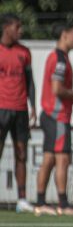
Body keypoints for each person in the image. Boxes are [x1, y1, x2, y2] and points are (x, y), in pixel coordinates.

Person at [35, 22, 73, 216]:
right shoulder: (60, 59)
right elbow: (57, 88)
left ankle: (40, 203)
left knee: (49, 158)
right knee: (62, 159)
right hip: (57, 116)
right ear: (64, 34)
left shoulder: (56, 57)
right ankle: (63, 204)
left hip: (50, 115)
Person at [0, 14, 37, 213]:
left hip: (21, 109)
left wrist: (33, 106)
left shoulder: (24, 52)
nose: (20, 31)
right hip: (1, 108)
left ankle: (22, 200)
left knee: (21, 153)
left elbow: (30, 81)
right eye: (17, 27)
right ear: (6, 28)